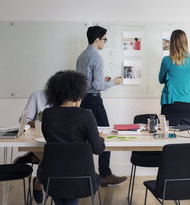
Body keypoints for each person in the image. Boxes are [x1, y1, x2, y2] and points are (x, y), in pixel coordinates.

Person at [37, 70, 106, 205]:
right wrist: (101, 138)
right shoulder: (86, 115)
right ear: (78, 92)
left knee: (59, 180)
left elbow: (49, 139)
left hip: (53, 178)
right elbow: (97, 149)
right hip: (81, 179)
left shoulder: (47, 114)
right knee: (71, 180)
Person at [76, 26, 127, 186]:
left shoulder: (81, 56)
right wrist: (114, 82)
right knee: (105, 135)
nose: (105, 42)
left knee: (83, 138)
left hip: (82, 100)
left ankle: (86, 173)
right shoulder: (97, 58)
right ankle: (105, 174)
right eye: (104, 39)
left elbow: (87, 82)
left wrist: (101, 82)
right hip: (94, 101)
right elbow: (97, 86)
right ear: (97, 40)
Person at [14, 90, 49, 203]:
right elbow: (24, 120)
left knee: (53, 156)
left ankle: (34, 159)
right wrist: (41, 124)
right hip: (37, 139)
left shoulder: (69, 97)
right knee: (50, 156)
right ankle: (39, 184)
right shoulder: (38, 95)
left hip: (57, 141)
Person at [158, 29, 190, 126]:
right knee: (188, 135)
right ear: (185, 42)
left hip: (171, 103)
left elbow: (161, 80)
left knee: (169, 135)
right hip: (189, 103)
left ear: (172, 43)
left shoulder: (167, 60)